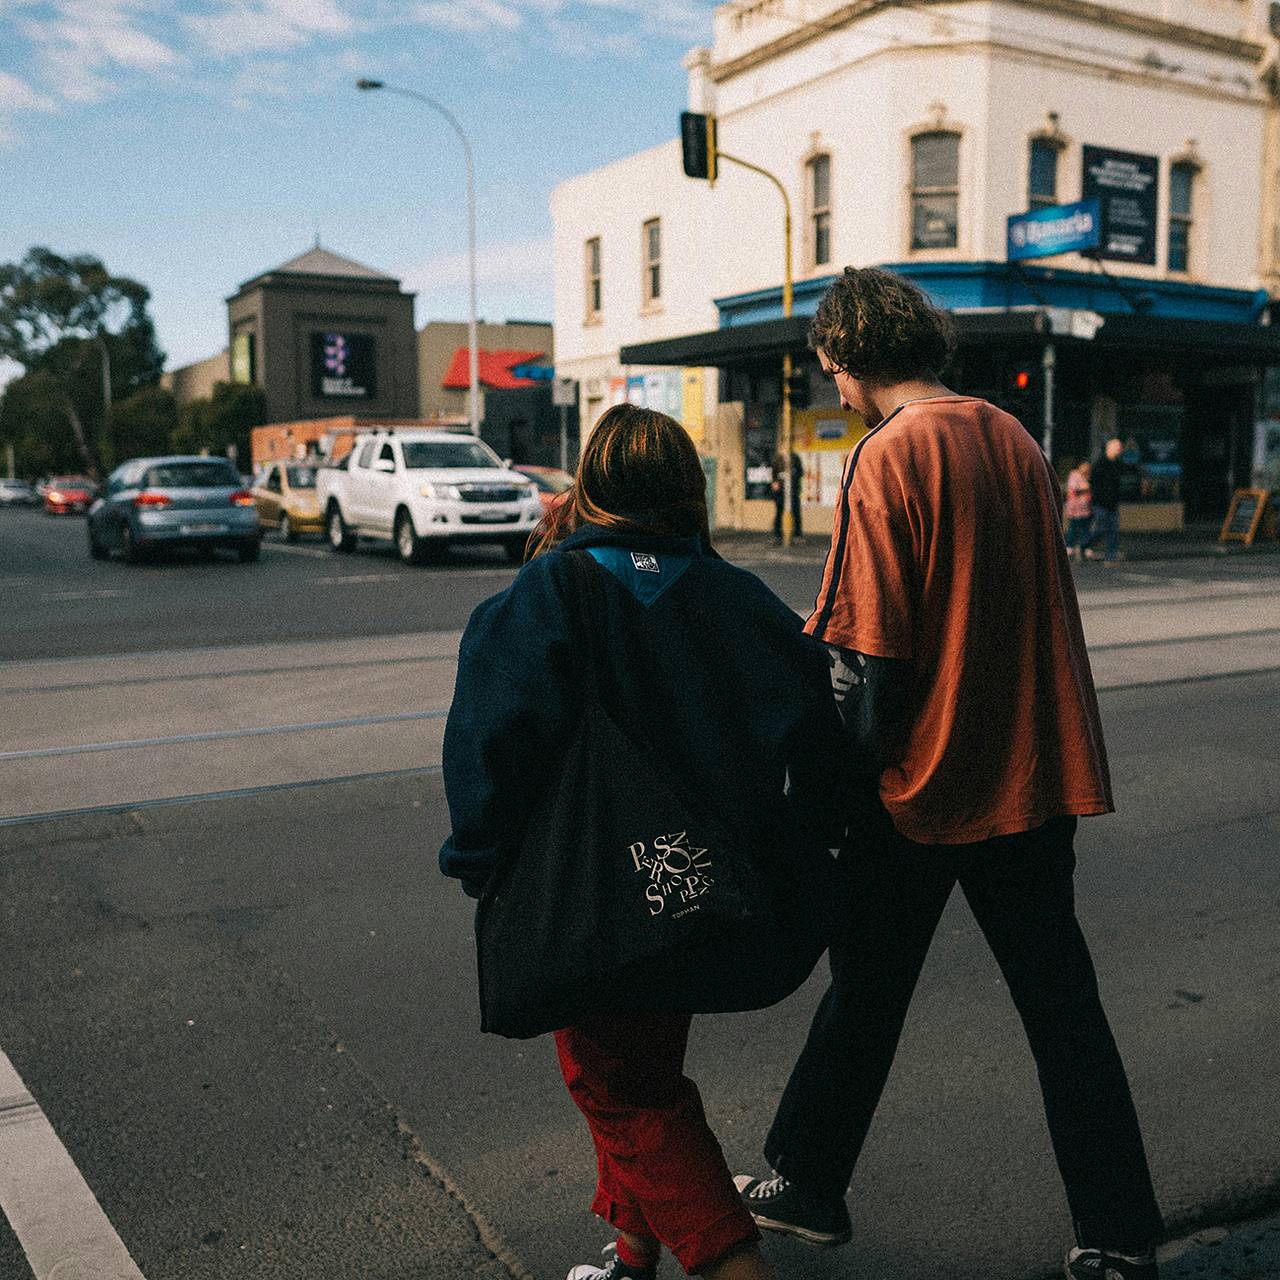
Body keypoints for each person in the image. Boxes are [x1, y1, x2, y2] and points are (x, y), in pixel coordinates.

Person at [733, 268, 1164, 1280]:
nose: (830, 382)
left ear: (847, 353)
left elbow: (868, 649)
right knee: (1061, 1007)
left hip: (923, 780)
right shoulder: (1009, 434)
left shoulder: (886, 455)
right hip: (1031, 766)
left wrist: (828, 785)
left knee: (867, 987)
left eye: (827, 364)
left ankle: (806, 1178)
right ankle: (1117, 1232)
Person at [440, 404, 849, 1280]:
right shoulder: (740, 597)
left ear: (591, 484)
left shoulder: (549, 593)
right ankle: (632, 1260)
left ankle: (733, 1264)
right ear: (684, 490)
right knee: (644, 1061)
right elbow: (818, 737)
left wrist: (478, 861)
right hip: (705, 888)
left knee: (620, 1087)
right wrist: (804, 844)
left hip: (594, 891)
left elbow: (488, 740)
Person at [1087, 438, 1124, 564]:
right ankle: (1084, 544)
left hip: (1113, 502)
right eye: (1117, 446)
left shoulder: (1118, 463)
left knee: (1113, 531)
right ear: (1109, 448)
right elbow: (1093, 481)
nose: (1119, 449)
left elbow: (1118, 483)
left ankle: (1110, 557)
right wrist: (1098, 495)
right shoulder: (1101, 463)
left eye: (1120, 447)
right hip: (1100, 503)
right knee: (1101, 529)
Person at [771, 451, 805, 544]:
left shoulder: (795, 458)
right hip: (780, 492)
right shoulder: (778, 459)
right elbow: (774, 473)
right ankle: (777, 536)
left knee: (796, 513)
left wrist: (794, 479)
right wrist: (775, 482)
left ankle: (797, 535)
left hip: (793, 491)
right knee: (779, 513)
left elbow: (800, 472)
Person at [1064, 459, 1093, 560]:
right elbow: (1074, 489)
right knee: (1073, 527)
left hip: (1086, 507)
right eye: (1084, 466)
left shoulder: (1088, 476)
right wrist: (1085, 488)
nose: (1086, 468)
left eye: (1087, 466)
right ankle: (1070, 546)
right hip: (1075, 507)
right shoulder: (1074, 475)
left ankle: (1085, 547)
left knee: (1085, 528)